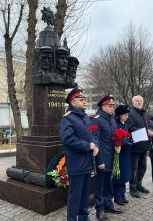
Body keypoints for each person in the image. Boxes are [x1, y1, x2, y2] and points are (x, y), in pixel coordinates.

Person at [60, 87, 100, 221]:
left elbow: (93, 133)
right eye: (81, 99)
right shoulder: (68, 119)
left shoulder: (85, 117)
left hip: (88, 162)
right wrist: (88, 146)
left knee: (85, 195)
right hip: (76, 163)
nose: (84, 101)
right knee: (75, 196)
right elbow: (68, 139)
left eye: (84, 99)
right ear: (73, 102)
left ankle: (84, 217)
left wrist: (96, 146)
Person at [92, 95, 123, 221]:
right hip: (102, 159)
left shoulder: (112, 120)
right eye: (110, 106)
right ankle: (99, 210)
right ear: (103, 106)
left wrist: (118, 145)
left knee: (108, 183)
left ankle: (108, 204)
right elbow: (95, 141)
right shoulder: (96, 120)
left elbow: (115, 137)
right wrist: (99, 161)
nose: (112, 108)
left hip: (111, 158)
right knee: (99, 186)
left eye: (112, 106)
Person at [126, 95, 153, 198]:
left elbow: (148, 124)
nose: (139, 102)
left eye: (141, 101)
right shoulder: (130, 113)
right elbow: (130, 127)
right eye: (137, 101)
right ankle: (132, 188)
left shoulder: (145, 113)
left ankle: (139, 185)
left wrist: (150, 130)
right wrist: (146, 131)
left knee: (143, 167)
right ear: (133, 102)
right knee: (134, 168)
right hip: (135, 145)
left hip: (144, 144)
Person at [112, 105, 132, 206]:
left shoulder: (125, 124)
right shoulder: (116, 124)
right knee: (118, 175)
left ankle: (122, 194)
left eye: (127, 114)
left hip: (126, 153)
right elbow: (116, 138)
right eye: (125, 114)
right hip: (119, 153)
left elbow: (127, 136)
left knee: (124, 175)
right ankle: (117, 196)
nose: (127, 116)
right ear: (119, 115)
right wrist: (125, 143)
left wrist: (131, 141)